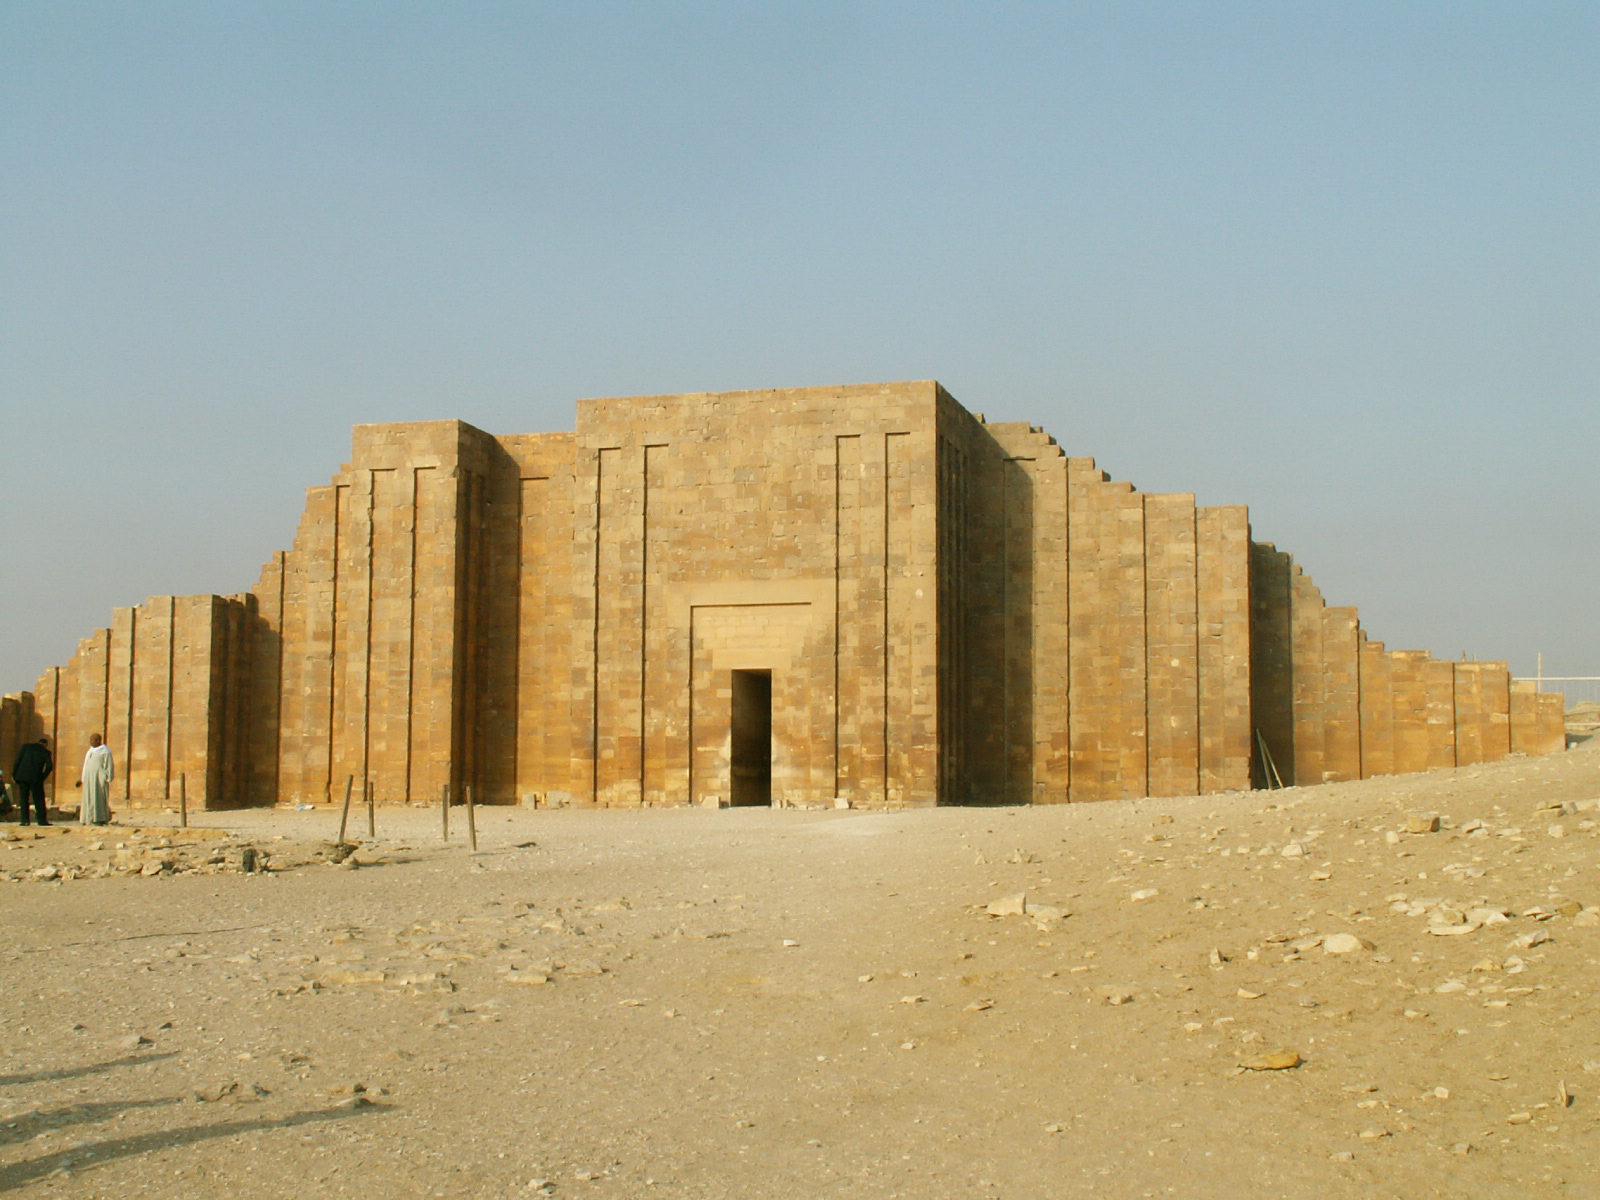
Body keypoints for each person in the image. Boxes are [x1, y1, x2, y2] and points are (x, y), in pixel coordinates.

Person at [12, 735, 54, 826]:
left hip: (22, 777)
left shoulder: (25, 747)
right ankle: (42, 820)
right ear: (45, 745)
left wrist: (14, 775)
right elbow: (49, 767)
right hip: (36, 778)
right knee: (38, 799)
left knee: (23, 799)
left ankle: (25, 820)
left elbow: (17, 761)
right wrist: (42, 777)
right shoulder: (45, 752)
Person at [77, 733, 113, 825]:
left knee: (98, 798)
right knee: (88, 798)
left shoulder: (105, 751)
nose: (91, 742)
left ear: (98, 740)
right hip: (89, 779)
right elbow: (86, 765)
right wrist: (82, 778)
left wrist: (107, 777)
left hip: (99, 779)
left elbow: (109, 765)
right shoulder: (90, 751)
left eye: (93, 740)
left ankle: (99, 818)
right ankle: (87, 818)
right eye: (90, 740)